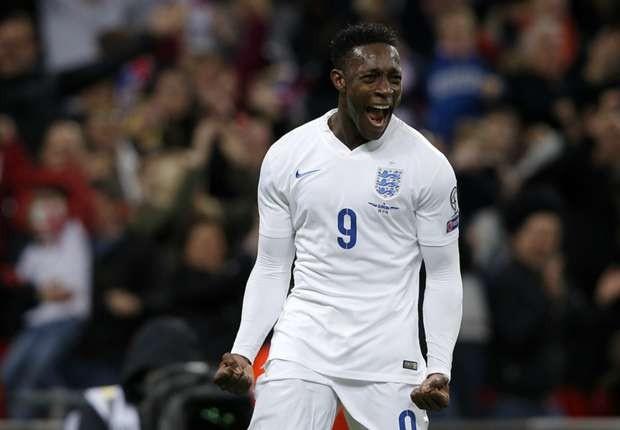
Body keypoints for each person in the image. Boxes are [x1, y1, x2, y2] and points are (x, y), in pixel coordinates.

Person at [214, 22, 463, 429]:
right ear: (339, 81)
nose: (386, 90)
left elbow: (443, 274)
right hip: (303, 347)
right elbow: (273, 266)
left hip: (388, 356)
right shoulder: (287, 155)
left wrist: (439, 366)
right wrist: (243, 351)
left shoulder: (428, 166)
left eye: (394, 78)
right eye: (371, 77)